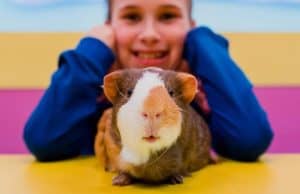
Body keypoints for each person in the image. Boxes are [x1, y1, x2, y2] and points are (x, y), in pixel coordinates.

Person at [23, 0, 273, 162]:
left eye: (168, 16)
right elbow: (44, 141)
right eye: (131, 17)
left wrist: (202, 41)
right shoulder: (94, 86)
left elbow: (250, 140)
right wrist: (93, 50)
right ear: (109, 29)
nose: (150, 35)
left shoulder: (194, 91)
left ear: (190, 28)